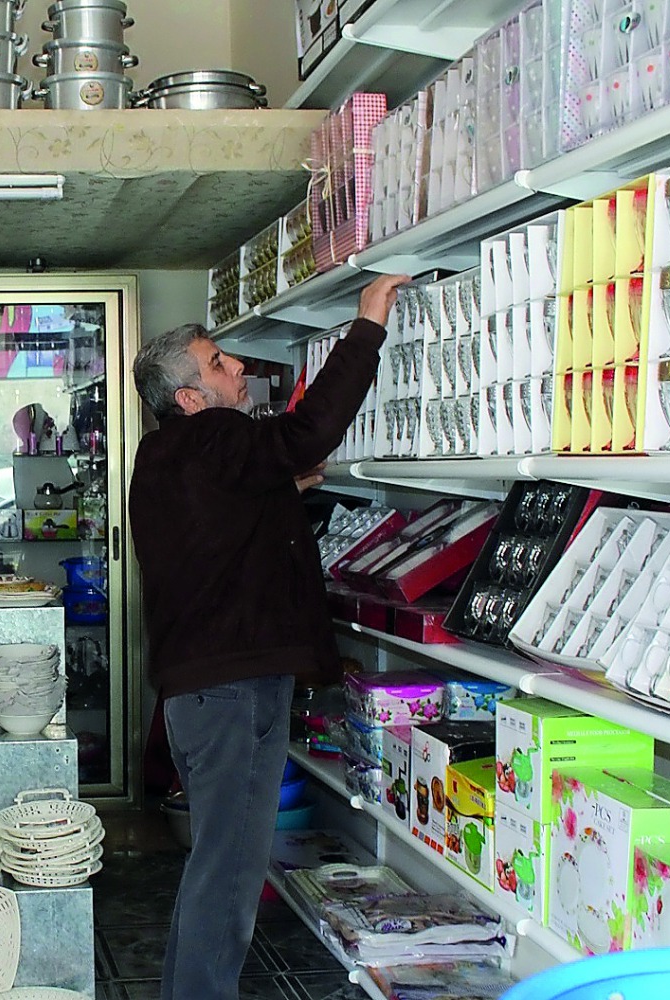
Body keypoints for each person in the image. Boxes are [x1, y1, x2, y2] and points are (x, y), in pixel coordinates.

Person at [128, 272, 410, 1000]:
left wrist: (282, 490)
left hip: (203, 691)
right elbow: (307, 432)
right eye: (220, 364)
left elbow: (213, 533)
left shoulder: (162, 458)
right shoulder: (215, 435)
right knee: (228, 874)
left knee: (218, 867)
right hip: (231, 692)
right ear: (190, 398)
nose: (239, 369)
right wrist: (368, 324)